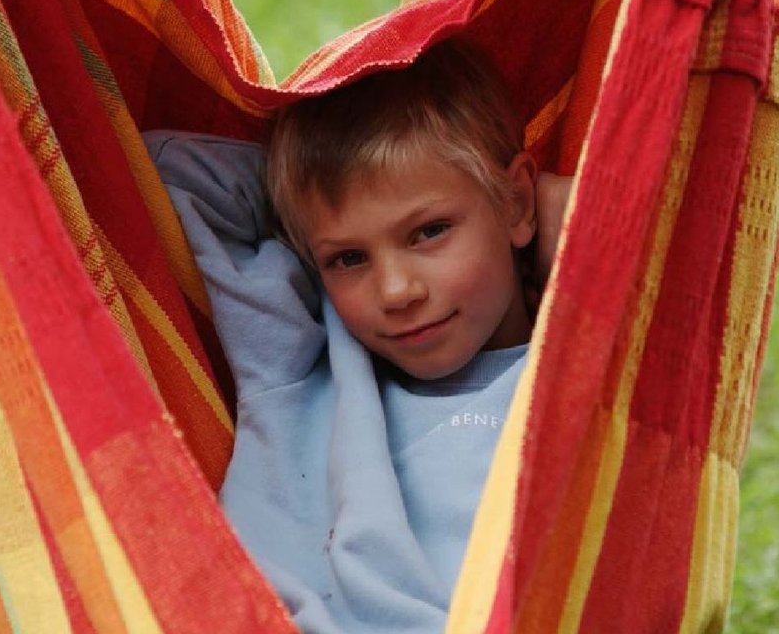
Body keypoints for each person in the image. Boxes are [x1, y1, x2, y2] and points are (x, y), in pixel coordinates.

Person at [145, 38, 567, 634]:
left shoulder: (578, 373)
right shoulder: (303, 358)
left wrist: (562, 208)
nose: (395, 291)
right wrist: (309, 187)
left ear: (516, 200)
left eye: (428, 232)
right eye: (348, 259)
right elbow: (164, 173)